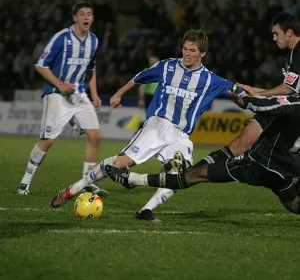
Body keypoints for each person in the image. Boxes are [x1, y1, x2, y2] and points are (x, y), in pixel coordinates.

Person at [50, 29, 244, 217]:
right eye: (185, 48)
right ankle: (74, 189)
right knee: (120, 164)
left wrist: (247, 99)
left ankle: (146, 210)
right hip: (158, 126)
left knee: (182, 175)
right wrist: (119, 93)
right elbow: (138, 78)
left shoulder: (211, 80)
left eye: (192, 50)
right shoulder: (167, 67)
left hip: (181, 135)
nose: (187, 53)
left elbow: (239, 92)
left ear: (203, 53)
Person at [106, 91, 300, 215]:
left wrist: (245, 101)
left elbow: (271, 104)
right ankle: (138, 183)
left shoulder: (294, 104)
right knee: (293, 204)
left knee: (193, 175)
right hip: (283, 169)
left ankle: (133, 179)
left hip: (261, 164)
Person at [18, 1, 107, 197]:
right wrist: (60, 85)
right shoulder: (61, 38)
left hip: (78, 93)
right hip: (56, 94)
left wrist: (94, 94)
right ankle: (25, 181)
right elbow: (41, 65)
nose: (86, 17)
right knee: (48, 140)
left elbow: (91, 69)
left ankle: (87, 182)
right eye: (82, 14)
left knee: (95, 136)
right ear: (75, 17)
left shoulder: (94, 41)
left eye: (89, 14)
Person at [238, 12, 300, 96]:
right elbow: (286, 89)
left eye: (276, 34)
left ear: (289, 32)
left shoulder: (297, 53)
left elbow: (287, 89)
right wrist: (251, 90)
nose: (274, 38)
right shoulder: (293, 54)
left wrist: (257, 95)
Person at [136, 55, 160, 132]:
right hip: (149, 96)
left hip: (159, 96)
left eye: (154, 61)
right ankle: (146, 132)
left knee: (158, 116)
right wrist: (141, 99)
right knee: (151, 116)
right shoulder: (147, 71)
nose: (152, 63)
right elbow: (142, 87)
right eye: (151, 62)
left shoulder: (162, 71)